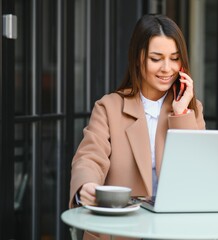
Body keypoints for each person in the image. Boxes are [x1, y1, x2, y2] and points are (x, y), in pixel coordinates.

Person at [69, 14, 206, 240]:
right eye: (156, 58)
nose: (167, 68)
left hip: (172, 232)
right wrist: (86, 185)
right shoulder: (109, 107)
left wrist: (181, 113)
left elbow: (195, 175)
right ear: (137, 59)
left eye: (174, 58)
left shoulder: (191, 110)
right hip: (118, 232)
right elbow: (89, 157)